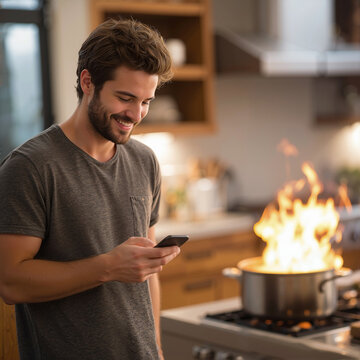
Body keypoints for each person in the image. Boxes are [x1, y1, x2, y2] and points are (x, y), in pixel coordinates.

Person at [0, 18, 180, 360]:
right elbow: (10, 282)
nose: (136, 114)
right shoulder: (31, 167)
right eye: (125, 98)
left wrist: (155, 348)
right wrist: (109, 266)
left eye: (146, 101)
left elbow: (146, 274)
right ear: (88, 82)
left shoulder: (144, 160)